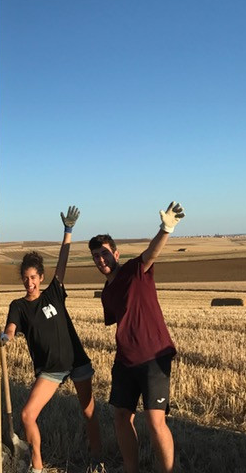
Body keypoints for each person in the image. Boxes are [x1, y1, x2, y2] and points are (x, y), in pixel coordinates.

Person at [2, 206, 106, 473]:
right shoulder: (18, 306)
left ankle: (97, 458)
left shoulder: (54, 294)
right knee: (27, 416)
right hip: (50, 369)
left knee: (89, 412)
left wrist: (68, 231)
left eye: (34, 278)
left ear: (41, 277)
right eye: (25, 279)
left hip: (76, 360)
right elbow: (12, 327)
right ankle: (37, 466)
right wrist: (7, 336)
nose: (30, 283)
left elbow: (63, 260)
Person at [89, 201, 185, 473]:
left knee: (155, 421)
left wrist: (165, 229)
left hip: (154, 356)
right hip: (126, 360)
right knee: (121, 416)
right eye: (96, 256)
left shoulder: (134, 270)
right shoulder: (106, 293)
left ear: (116, 254)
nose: (101, 260)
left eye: (105, 254)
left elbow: (151, 253)